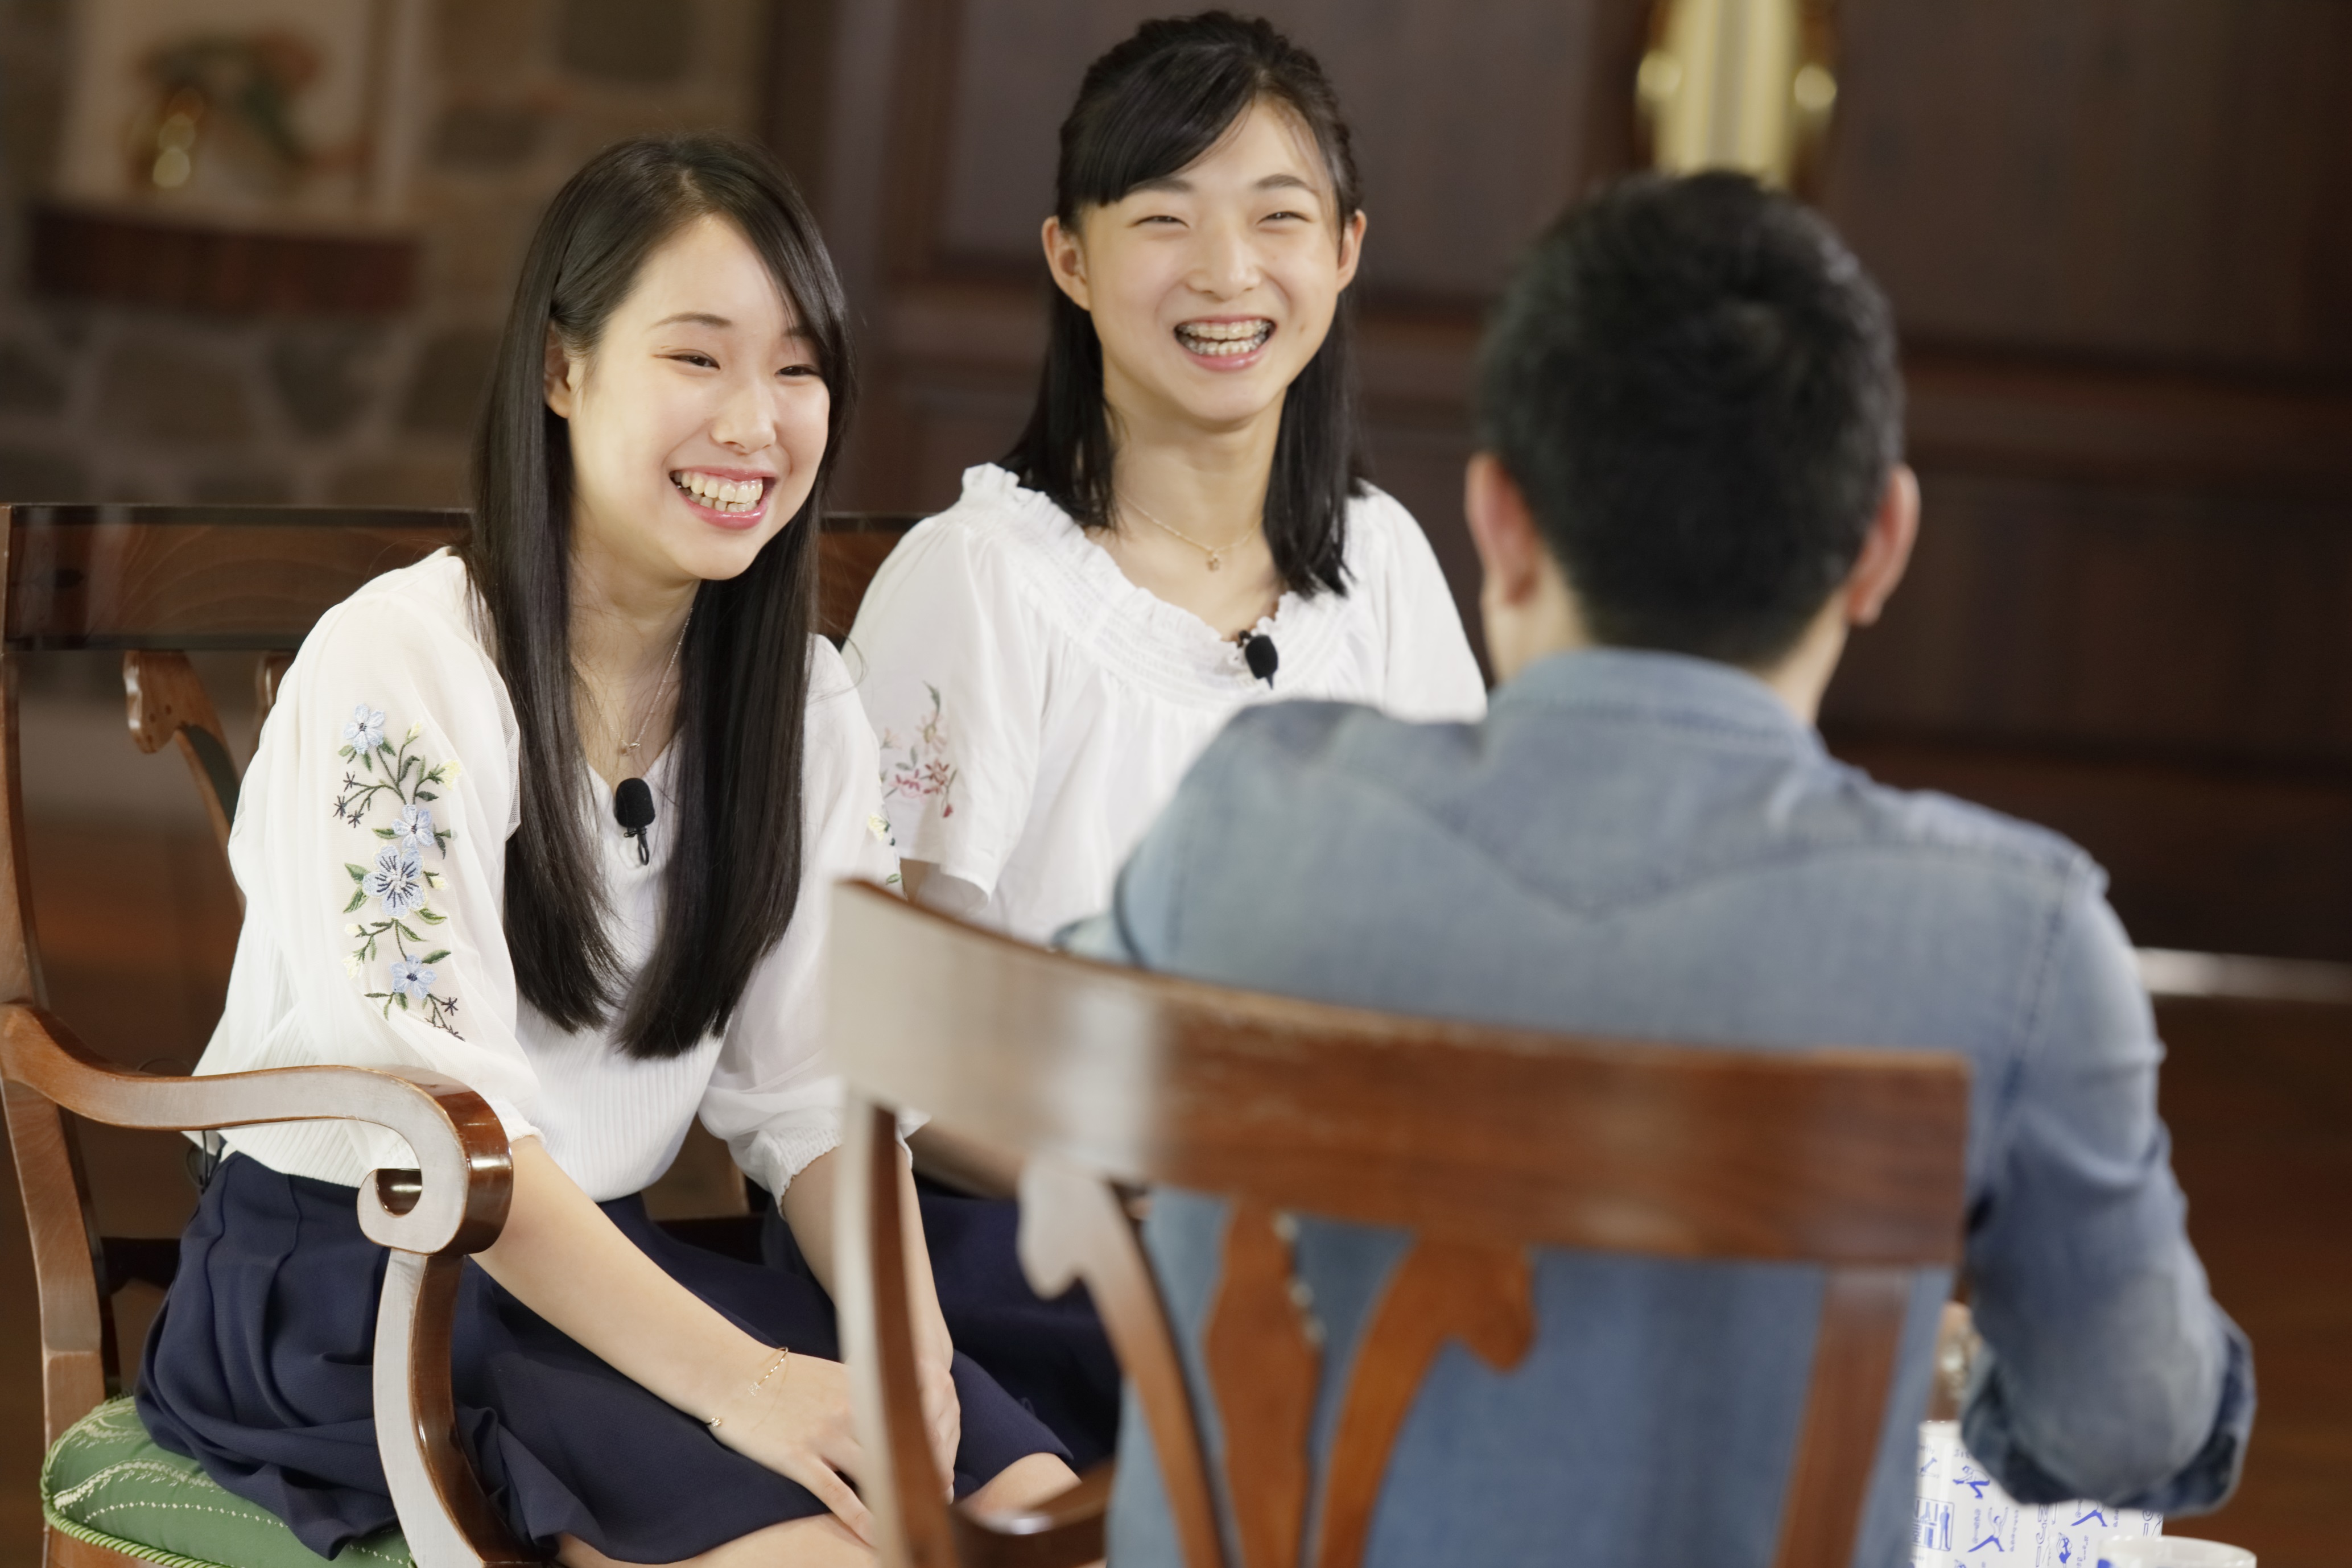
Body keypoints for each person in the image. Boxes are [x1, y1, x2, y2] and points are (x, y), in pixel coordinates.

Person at [1066, 173, 2254, 1567]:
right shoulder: (2019, 940)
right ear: (1881, 544)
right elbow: (2130, 1427)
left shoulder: (1248, 820)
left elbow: (1052, 1083)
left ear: (1500, 519)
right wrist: (1951, 1360)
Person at [135, 136, 1076, 1568]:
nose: (753, 422)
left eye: (799, 368)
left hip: (611, 1272)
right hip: (366, 1284)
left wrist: (911, 1353)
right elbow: (452, 1140)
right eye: (697, 358)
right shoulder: (403, 668)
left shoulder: (800, 699)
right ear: (562, 370)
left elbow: (823, 1096)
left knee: (1033, 1516)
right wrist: (751, 1387)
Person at [847, 11, 1486, 951]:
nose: (1227, 273)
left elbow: (1459, 922)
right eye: (1163, 219)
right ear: (1070, 259)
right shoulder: (981, 581)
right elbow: (874, 987)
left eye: (1278, 217)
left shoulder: (1378, 556)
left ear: (1344, 250)